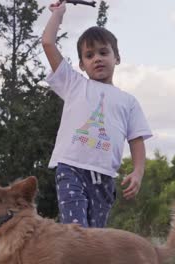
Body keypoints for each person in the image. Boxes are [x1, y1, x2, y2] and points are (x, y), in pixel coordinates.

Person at [41, 1, 152, 228]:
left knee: (94, 241)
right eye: (89, 56)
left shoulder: (128, 101)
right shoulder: (73, 84)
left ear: (117, 58)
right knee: (75, 233)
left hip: (104, 178)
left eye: (103, 52)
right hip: (70, 168)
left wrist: (138, 171)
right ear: (81, 65)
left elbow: (136, 139)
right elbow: (48, 43)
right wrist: (58, 15)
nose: (97, 59)